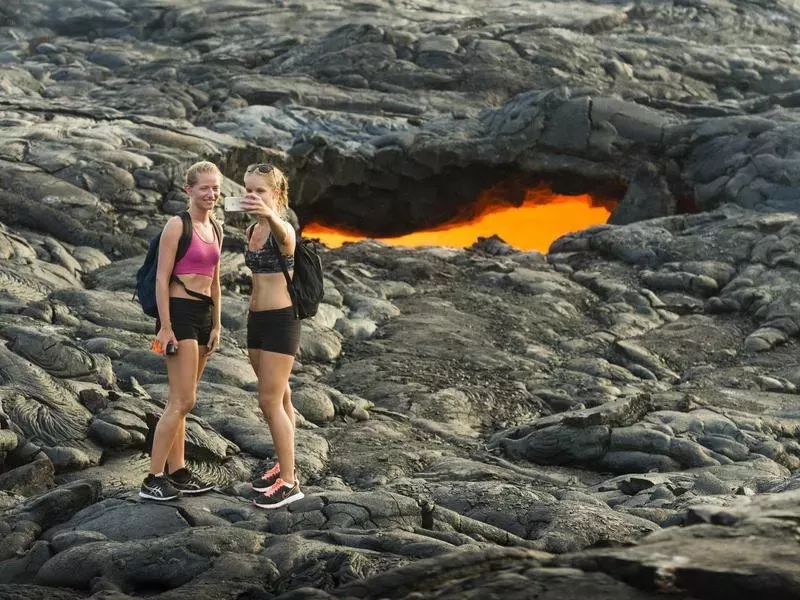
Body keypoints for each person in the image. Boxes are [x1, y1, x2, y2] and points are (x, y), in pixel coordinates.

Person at [139, 161, 223, 501]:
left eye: (216, 188)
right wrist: (166, 327)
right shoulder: (177, 225)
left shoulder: (216, 227)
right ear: (188, 189)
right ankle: (152, 479)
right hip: (179, 315)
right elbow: (161, 278)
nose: (211, 194)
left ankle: (179, 471)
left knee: (183, 401)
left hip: (203, 316)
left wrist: (217, 323)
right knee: (182, 400)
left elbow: (216, 280)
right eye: (204, 187)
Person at [242, 163, 304, 509]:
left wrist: (271, 214)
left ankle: (290, 482)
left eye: (260, 190)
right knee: (281, 397)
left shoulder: (284, 230)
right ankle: (286, 462)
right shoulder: (253, 228)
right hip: (257, 321)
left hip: (282, 320)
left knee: (268, 400)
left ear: (277, 194)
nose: (252, 196)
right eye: (249, 189)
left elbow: (287, 239)